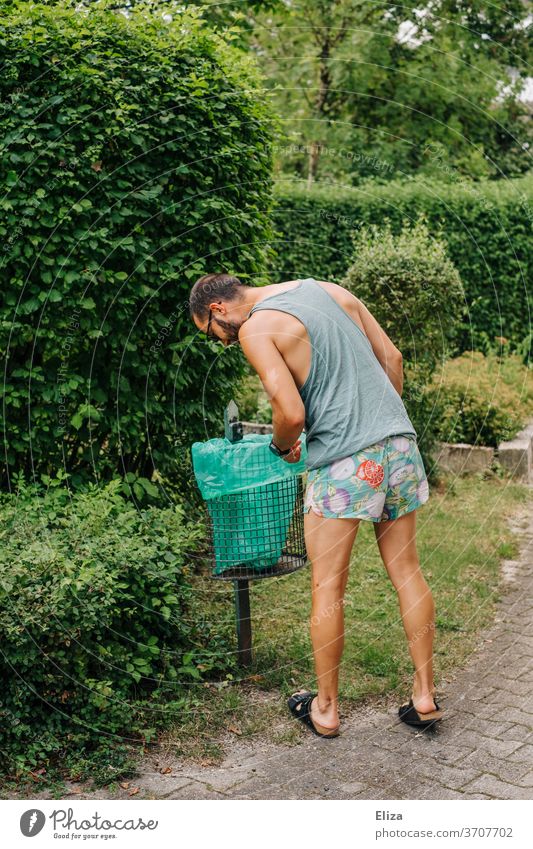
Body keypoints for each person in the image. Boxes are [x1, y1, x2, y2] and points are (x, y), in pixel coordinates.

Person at [189, 273, 443, 737]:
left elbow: (290, 413)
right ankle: (424, 697)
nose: (220, 342)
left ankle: (325, 710)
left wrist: (283, 449)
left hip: (345, 459)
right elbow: (393, 358)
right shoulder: (325, 289)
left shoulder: (253, 327)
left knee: (327, 586)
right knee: (408, 570)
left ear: (218, 309)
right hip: (399, 445)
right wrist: (377, 426)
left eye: (211, 333)